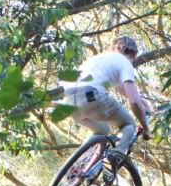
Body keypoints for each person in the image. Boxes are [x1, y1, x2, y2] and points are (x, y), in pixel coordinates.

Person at [62, 35, 151, 175]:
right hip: (91, 95)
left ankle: (80, 167)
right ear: (133, 54)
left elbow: (121, 88)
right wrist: (145, 127)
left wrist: (143, 102)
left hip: (69, 100)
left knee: (102, 131)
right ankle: (115, 156)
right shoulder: (125, 63)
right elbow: (133, 101)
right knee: (129, 125)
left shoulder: (101, 59)